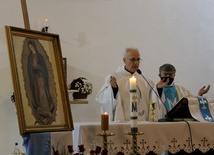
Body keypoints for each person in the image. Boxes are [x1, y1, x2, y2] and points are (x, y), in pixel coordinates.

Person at [96, 48, 154, 121]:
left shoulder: (145, 80)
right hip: (122, 122)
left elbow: (153, 102)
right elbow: (104, 101)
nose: (136, 63)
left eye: (138, 59)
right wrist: (113, 90)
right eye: (132, 59)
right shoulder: (114, 77)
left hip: (142, 122)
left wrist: (159, 89)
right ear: (124, 60)